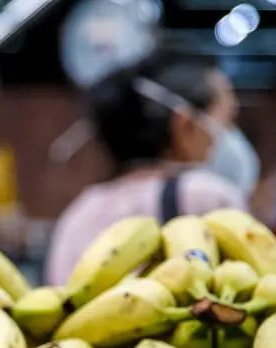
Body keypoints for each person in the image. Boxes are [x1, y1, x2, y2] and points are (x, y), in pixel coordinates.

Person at [45, 46, 261, 286]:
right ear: (185, 126)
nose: (230, 136)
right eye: (228, 120)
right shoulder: (211, 198)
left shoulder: (79, 212)